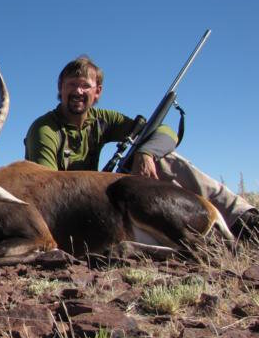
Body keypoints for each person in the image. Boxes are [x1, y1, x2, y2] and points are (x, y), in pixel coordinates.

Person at [25, 55, 259, 242]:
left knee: (165, 159)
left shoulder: (104, 119)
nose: (78, 91)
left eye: (85, 86)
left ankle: (243, 218)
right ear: (60, 87)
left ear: (97, 92)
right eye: (71, 85)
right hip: (63, 211)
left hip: (92, 199)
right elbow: (49, 190)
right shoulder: (45, 129)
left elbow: (165, 133)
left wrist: (145, 153)